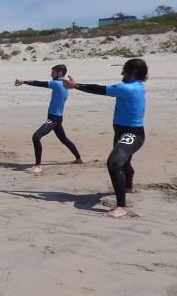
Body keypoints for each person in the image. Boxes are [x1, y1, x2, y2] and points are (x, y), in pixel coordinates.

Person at [63, 58, 148, 218]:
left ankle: (121, 207)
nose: (122, 72)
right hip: (122, 132)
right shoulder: (134, 87)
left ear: (134, 72)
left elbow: (100, 90)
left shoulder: (128, 88)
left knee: (114, 163)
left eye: (124, 69)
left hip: (133, 133)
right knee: (124, 162)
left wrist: (77, 86)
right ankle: (129, 188)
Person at [15, 64, 83, 173]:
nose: (51, 75)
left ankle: (38, 166)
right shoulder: (66, 84)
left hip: (54, 119)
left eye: (53, 72)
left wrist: (23, 82)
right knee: (64, 139)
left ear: (59, 73)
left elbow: (39, 83)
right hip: (58, 117)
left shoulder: (57, 83)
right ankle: (79, 159)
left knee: (36, 136)